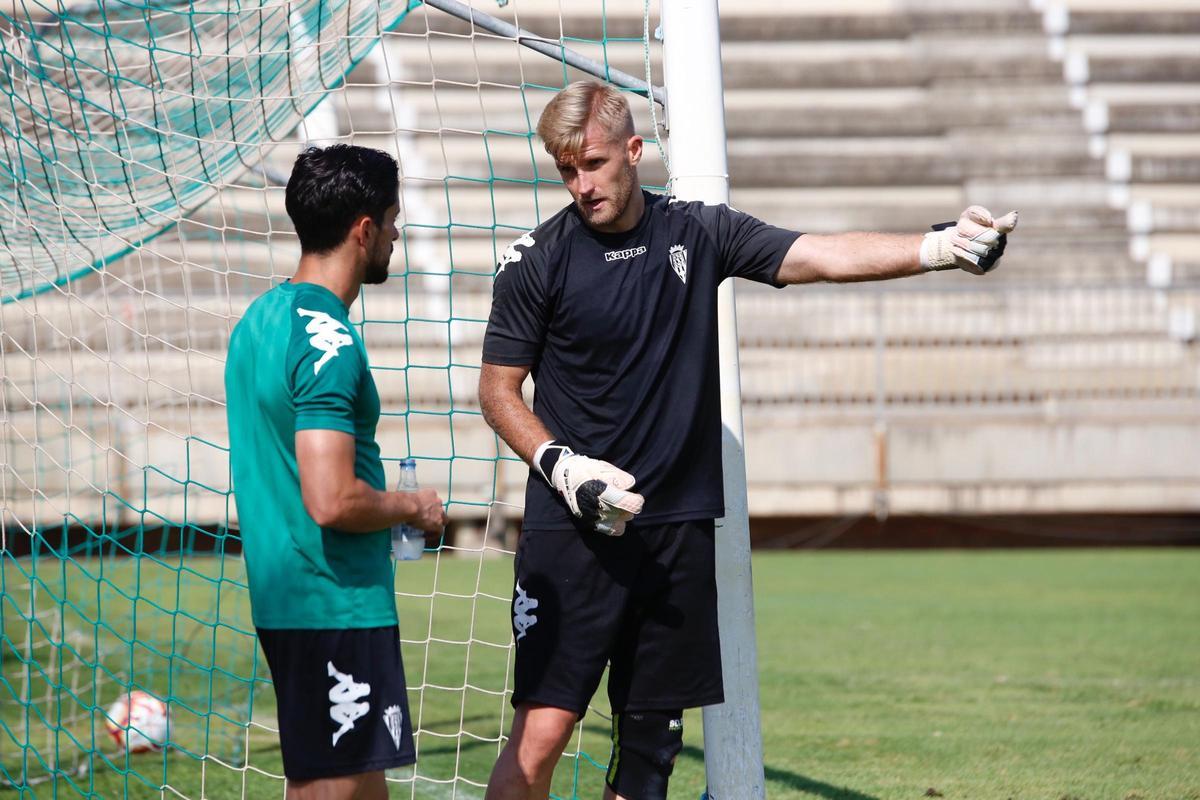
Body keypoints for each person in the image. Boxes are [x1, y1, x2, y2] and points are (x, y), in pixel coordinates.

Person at [478, 80, 1017, 800]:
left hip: (674, 535)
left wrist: (938, 247)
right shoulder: (536, 259)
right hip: (573, 532)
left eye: (595, 163)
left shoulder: (697, 231)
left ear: (634, 152)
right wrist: (564, 467)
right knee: (539, 744)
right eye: (566, 170)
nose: (582, 184)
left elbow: (820, 254)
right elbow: (496, 390)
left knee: (647, 760)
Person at [225, 144, 447, 800]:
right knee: (335, 788)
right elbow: (331, 500)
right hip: (332, 600)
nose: (397, 233)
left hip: (290, 594)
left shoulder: (260, 319)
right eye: (392, 218)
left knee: (353, 781)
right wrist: (413, 507)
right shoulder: (329, 342)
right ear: (363, 229)